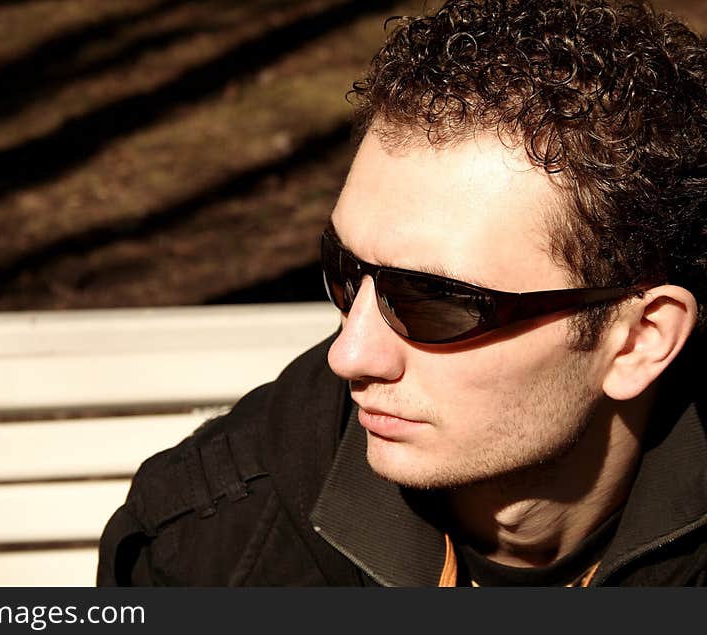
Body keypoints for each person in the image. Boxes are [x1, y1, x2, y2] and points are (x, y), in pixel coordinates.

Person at [97, 0, 707, 586]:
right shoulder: (208, 555)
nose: (351, 354)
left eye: (434, 301)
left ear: (640, 340)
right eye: (344, 269)